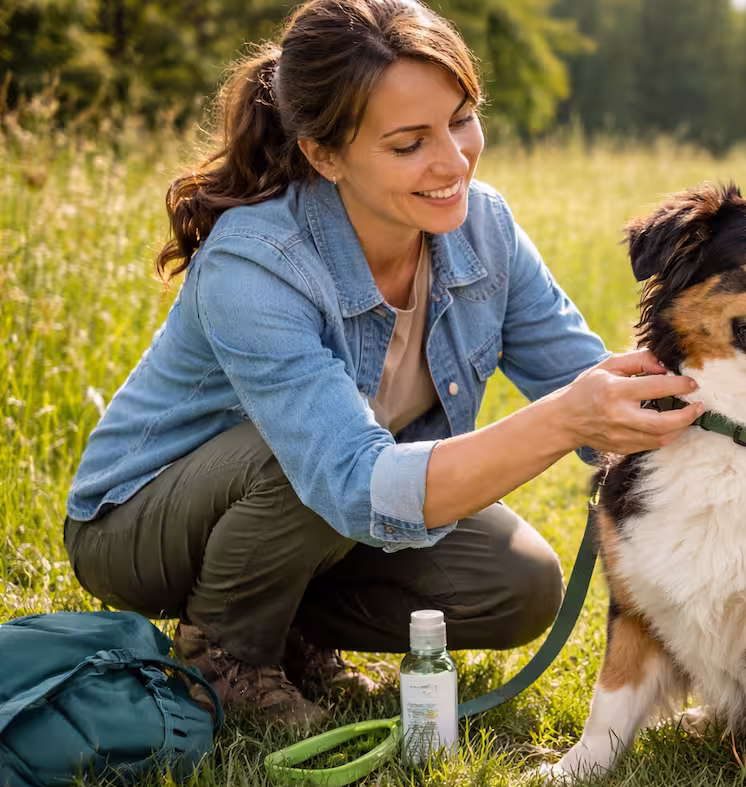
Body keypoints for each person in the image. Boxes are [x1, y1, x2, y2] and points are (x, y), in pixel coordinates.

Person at [63, 0, 702, 728]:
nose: (453, 160)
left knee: (516, 583)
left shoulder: (484, 227)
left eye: (462, 119)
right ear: (324, 154)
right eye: (409, 144)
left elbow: (594, 389)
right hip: (139, 525)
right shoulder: (257, 263)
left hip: (323, 506)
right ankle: (227, 657)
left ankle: (293, 626)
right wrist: (562, 420)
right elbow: (353, 482)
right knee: (306, 458)